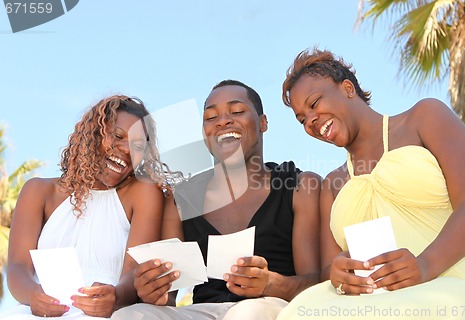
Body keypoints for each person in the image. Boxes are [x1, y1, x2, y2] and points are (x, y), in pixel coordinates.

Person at [275, 48, 465, 320]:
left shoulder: (424, 119)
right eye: (302, 120)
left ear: (347, 88)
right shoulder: (332, 185)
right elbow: (328, 269)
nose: (310, 121)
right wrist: (339, 273)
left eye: (314, 104)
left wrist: (424, 265)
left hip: (444, 292)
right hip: (369, 307)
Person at [111, 80, 322, 320]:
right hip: (204, 312)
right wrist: (155, 292)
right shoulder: (181, 198)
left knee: (247, 313)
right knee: (131, 315)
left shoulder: (299, 186)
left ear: (263, 123)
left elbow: (315, 284)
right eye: (211, 117)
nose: (223, 121)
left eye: (237, 111)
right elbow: (170, 295)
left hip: (273, 307)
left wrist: (271, 284)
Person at [3, 95, 170, 319]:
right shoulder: (38, 191)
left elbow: (134, 271)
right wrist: (34, 295)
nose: (127, 149)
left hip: (110, 313)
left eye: (138, 146)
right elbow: (17, 266)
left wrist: (117, 297)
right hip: (40, 311)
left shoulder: (143, 193)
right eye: (117, 136)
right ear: (93, 134)